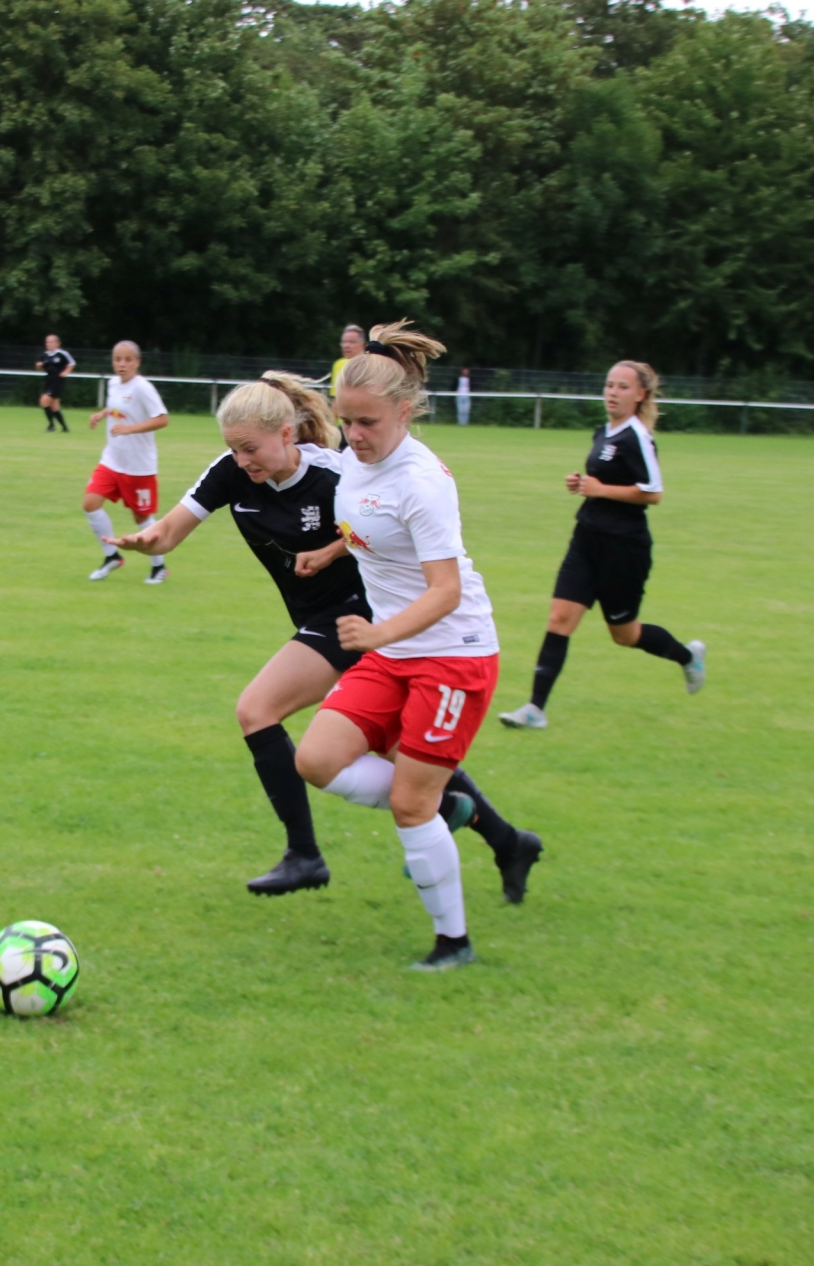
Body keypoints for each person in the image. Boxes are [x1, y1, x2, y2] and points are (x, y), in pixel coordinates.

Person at [111, 374, 542, 901]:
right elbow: (169, 532)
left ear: (286, 434)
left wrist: (332, 551)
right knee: (399, 749)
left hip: (358, 615)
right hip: (315, 618)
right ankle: (506, 840)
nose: (242, 460)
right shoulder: (232, 470)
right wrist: (147, 539)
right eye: (234, 448)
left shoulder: (335, 471)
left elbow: (380, 524)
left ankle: (305, 855)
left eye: (250, 448)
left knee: (257, 709)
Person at [291, 320, 520, 972]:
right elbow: (369, 521)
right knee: (317, 759)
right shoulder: (357, 461)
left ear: (404, 411)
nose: (354, 436)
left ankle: (454, 942)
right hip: (395, 650)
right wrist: (331, 549)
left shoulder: (422, 481)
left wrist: (378, 633)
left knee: (408, 804)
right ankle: (450, 807)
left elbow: (446, 590)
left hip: (452, 652)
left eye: (366, 423)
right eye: (346, 422)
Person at [498, 361, 705, 731]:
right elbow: (603, 481)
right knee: (559, 618)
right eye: (609, 385)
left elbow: (653, 493)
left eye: (623, 387)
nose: (612, 392)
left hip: (624, 548)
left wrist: (601, 489)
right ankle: (535, 709)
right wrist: (581, 484)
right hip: (586, 539)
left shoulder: (638, 437)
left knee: (625, 634)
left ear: (640, 395)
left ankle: (688, 656)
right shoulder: (603, 432)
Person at [83, 341, 170, 583]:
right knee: (90, 504)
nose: (122, 364)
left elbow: (162, 419)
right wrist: (101, 415)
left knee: (141, 519)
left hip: (138, 466)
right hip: (112, 459)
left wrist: (130, 429)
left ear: (137, 362)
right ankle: (112, 556)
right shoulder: (113, 383)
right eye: (117, 359)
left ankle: (159, 567)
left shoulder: (143, 388)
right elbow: (115, 407)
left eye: (127, 359)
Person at [36, 334, 75, 433]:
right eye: (47, 342)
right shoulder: (45, 355)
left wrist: (66, 372)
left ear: (57, 343)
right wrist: (39, 365)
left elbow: (72, 363)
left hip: (58, 381)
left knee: (43, 401)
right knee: (54, 406)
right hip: (48, 380)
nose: (49, 344)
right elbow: (38, 365)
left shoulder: (62, 354)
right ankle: (64, 427)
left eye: (51, 342)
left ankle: (51, 425)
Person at [325, 324, 365, 397]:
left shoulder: (371, 365)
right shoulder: (338, 364)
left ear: (362, 344)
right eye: (344, 342)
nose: (346, 346)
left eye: (352, 342)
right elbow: (335, 397)